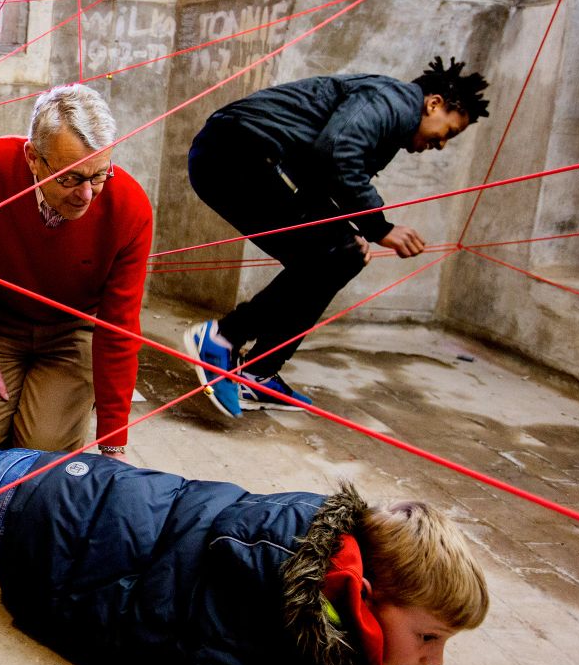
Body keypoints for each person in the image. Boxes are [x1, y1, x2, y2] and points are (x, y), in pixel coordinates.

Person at [0, 434, 490, 665]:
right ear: (368, 595)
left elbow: (326, 611)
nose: (430, 660)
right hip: (45, 537)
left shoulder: (312, 524)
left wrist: (373, 661)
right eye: (427, 637)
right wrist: (367, 663)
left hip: (80, 489)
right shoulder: (263, 631)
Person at [184, 60, 489, 418]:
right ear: (434, 104)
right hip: (237, 153)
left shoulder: (392, 119)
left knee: (345, 253)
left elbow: (327, 174)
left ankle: (259, 371)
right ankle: (221, 338)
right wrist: (380, 229)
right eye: (449, 132)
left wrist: (356, 234)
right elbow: (337, 151)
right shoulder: (393, 101)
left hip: (248, 159)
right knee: (335, 249)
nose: (441, 144)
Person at [0, 85, 154, 457]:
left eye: (99, 174)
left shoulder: (129, 207)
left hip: (70, 333)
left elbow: (119, 327)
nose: (86, 195)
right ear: (33, 157)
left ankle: (57, 398)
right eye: (70, 178)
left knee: (40, 452)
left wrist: (113, 441)